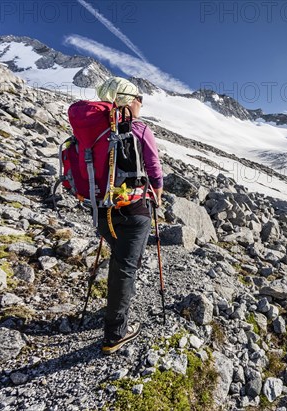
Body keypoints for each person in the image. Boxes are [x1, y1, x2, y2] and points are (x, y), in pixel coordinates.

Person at [94, 77, 163, 354]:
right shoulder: (139, 128)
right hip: (134, 208)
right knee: (125, 266)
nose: (141, 103)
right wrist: (158, 191)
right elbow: (153, 166)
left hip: (101, 209)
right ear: (128, 100)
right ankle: (115, 333)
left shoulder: (94, 130)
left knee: (121, 260)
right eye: (139, 98)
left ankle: (116, 305)